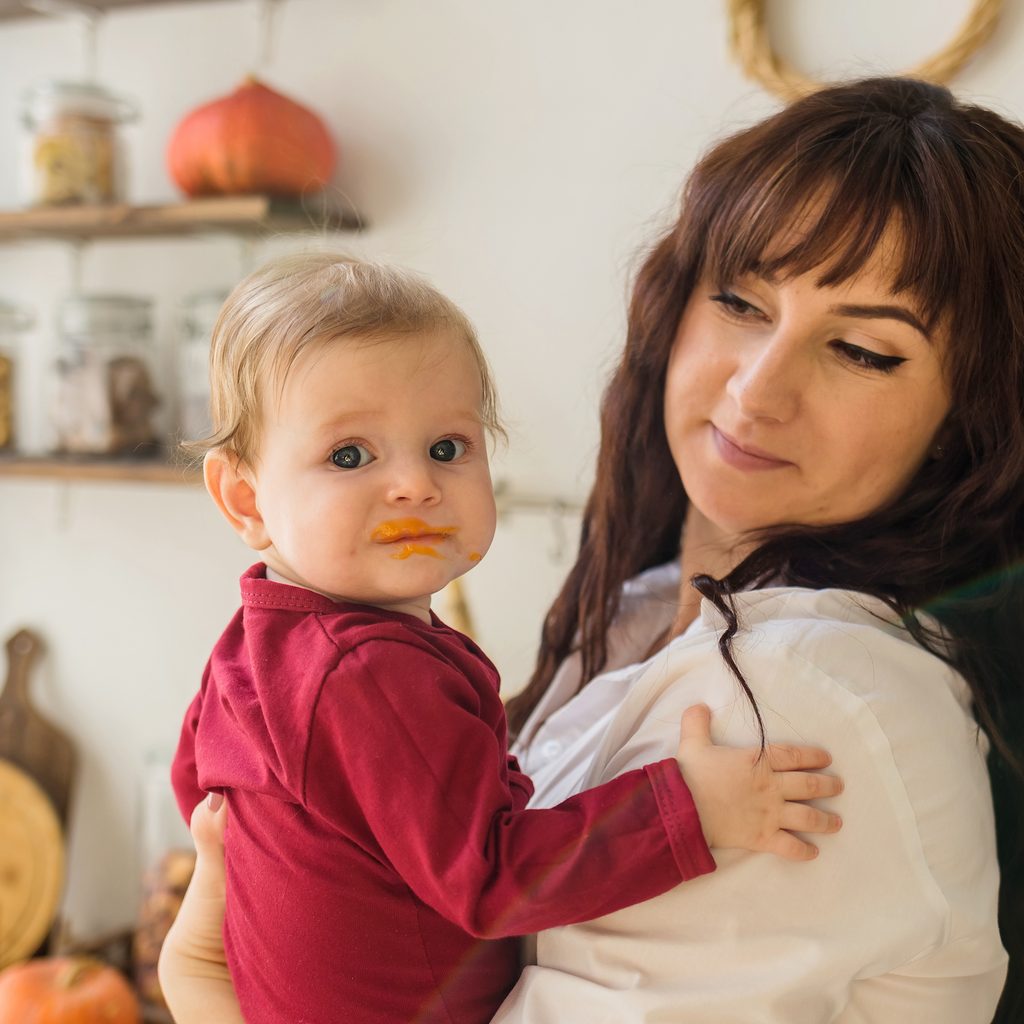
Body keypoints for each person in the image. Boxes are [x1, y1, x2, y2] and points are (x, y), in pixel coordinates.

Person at [160, 75, 1023, 1022]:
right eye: (740, 302)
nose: (756, 392)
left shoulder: (804, 702)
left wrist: (206, 985)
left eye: (863, 349)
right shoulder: (637, 609)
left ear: (966, 418)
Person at [167, 253, 842, 1024]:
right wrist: (688, 808)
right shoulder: (370, 671)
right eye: (349, 455)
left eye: (448, 448)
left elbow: (201, 791)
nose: (415, 485)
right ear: (245, 498)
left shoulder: (253, 641)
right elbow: (491, 881)